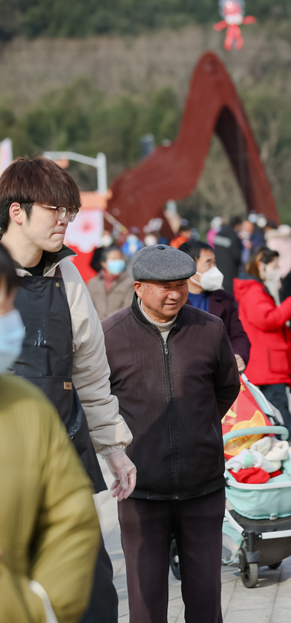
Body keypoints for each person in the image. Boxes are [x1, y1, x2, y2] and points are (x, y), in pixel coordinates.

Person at [0, 156, 136, 623]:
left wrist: (113, 446)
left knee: (91, 594)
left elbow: (93, 375)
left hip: (63, 458)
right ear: (16, 211)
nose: (64, 221)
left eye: (69, 212)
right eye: (54, 209)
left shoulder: (68, 275)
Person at [102, 244, 240, 623]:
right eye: (164, 286)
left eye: (181, 284)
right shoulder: (111, 335)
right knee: (145, 603)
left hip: (203, 486)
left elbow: (227, 388)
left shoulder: (209, 329)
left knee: (206, 597)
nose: (175, 294)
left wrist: (200, 429)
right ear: (139, 288)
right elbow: (99, 400)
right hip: (141, 490)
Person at [0, 243, 102, 623]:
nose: (11, 320)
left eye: (10, 305)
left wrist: (40, 604)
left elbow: (72, 517)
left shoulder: (26, 407)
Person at [234, 247, 291, 443]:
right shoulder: (253, 291)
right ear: (262, 266)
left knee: (274, 408)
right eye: (275, 266)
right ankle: (290, 443)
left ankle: (287, 442)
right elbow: (268, 319)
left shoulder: (254, 289)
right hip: (265, 363)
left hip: (267, 361)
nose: (277, 270)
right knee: (278, 408)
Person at [179, 239, 250, 372]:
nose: (214, 269)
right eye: (208, 263)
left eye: (214, 262)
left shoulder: (224, 299)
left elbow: (238, 335)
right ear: (188, 267)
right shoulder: (173, 301)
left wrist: (239, 355)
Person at [87, 246, 135, 320]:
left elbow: (128, 307)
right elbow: (88, 306)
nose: (117, 262)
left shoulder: (129, 282)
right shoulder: (94, 282)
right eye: (114, 259)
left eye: (120, 259)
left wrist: (107, 320)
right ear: (104, 263)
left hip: (119, 325)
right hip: (97, 325)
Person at [213, 216, 244, 293]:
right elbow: (236, 255)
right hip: (231, 270)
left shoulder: (219, 234)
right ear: (237, 225)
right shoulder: (232, 236)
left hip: (219, 266)